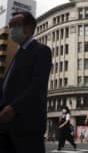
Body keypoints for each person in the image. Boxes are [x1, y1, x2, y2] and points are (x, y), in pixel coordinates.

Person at [0, 11, 52, 153]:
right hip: (5, 124)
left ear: (30, 28)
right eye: (10, 26)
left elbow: (37, 85)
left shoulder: (41, 51)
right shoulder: (18, 53)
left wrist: (13, 107)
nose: (12, 30)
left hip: (27, 124)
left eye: (16, 25)